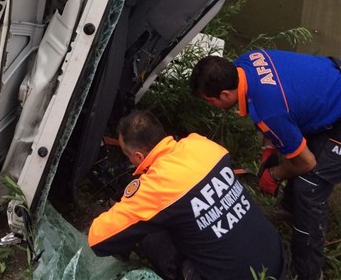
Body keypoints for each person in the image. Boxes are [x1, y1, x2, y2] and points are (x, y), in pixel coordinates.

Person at [190, 49, 341, 280]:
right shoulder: (244, 64)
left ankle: (308, 272)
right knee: (296, 148)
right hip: (328, 91)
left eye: (211, 102)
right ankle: (290, 211)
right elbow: (272, 105)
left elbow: (306, 162)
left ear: (224, 95)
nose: (212, 107)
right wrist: (269, 150)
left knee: (309, 185)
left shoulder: (270, 110)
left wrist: (274, 174)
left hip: (336, 110)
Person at [88, 110, 284, 280]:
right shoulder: (202, 145)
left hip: (234, 275)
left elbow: (98, 240)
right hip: (276, 260)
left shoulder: (156, 187)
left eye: (126, 153)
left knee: (149, 234)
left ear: (138, 157)